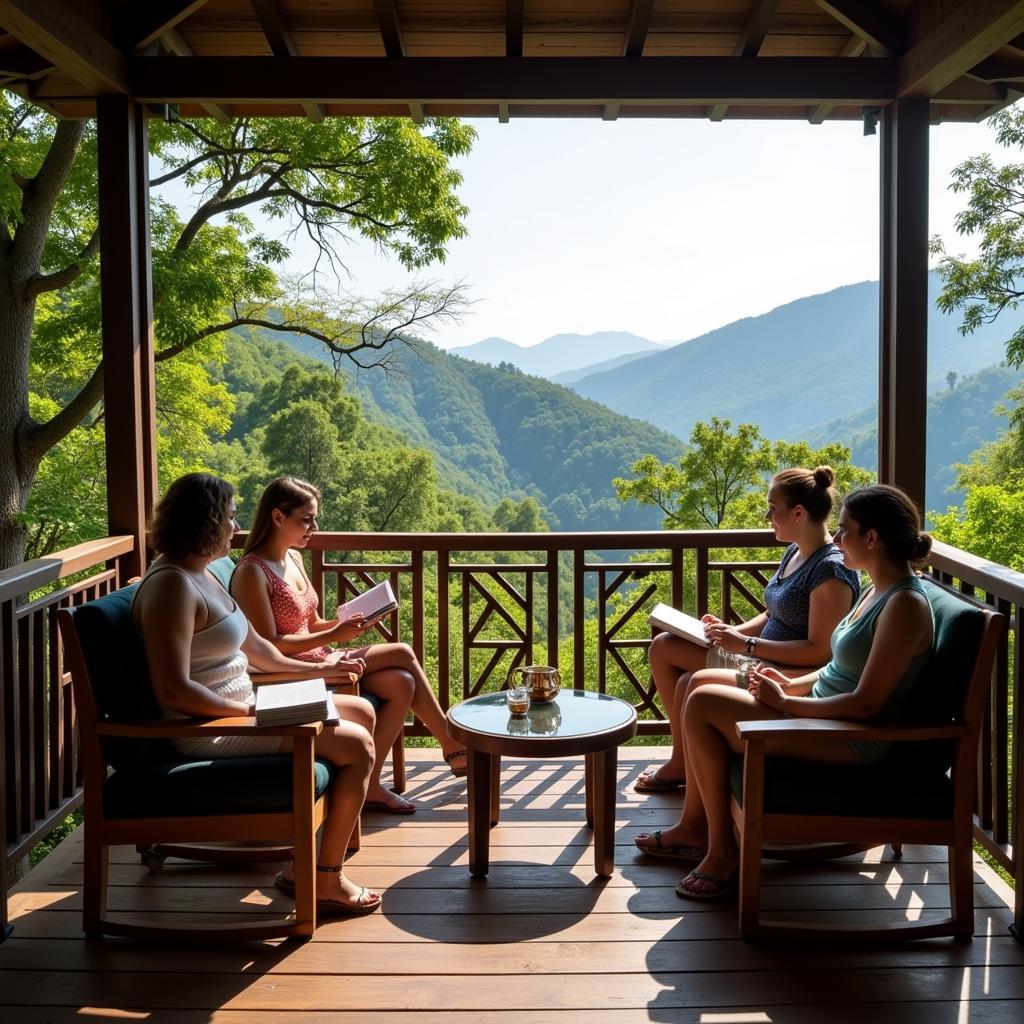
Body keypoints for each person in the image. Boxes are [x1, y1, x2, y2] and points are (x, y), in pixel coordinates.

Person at [636, 484, 934, 900]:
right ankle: (697, 826)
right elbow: (835, 666)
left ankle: (720, 850)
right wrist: (789, 683)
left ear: (872, 538)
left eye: (845, 531)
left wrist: (788, 701)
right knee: (698, 684)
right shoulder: (875, 589)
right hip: (819, 706)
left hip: (854, 736)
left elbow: (867, 702)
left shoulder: (904, 605)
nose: (837, 539)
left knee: (703, 701)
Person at [131, 472, 382, 915]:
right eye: (229, 517)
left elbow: (261, 650)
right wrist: (252, 709)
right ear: (203, 522)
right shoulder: (171, 584)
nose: (236, 526)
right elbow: (173, 690)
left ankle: (305, 861)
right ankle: (325, 878)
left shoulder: (201, 575)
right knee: (357, 743)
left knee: (360, 711)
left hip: (245, 706)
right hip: (208, 727)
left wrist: (328, 667)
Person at [232, 476, 468, 815]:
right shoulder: (252, 572)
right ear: (277, 517)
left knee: (402, 682)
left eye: (314, 518)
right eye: (306, 519)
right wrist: (333, 637)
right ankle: (451, 743)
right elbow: (268, 645)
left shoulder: (294, 559)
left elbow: (311, 623)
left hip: (325, 656)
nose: (314, 526)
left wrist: (346, 624)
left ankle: (370, 785)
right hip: (294, 672)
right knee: (402, 652)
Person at [636, 466, 860, 795]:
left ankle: (685, 764)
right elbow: (774, 611)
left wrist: (746, 644)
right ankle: (683, 759)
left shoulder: (830, 570)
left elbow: (820, 651)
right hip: (756, 653)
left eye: (773, 508)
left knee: (687, 680)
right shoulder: (796, 551)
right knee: (664, 646)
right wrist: (730, 632)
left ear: (798, 513)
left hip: (783, 669)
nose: (768, 516)